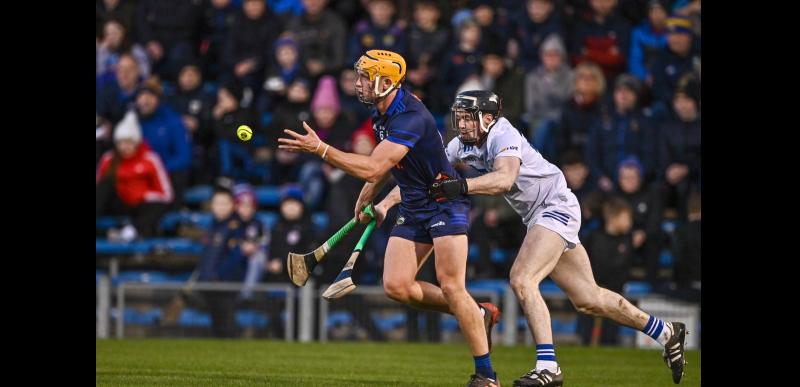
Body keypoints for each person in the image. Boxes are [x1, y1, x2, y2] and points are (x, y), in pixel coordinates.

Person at [428, 90, 688, 386]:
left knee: (522, 278)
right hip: (540, 216)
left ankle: (548, 366)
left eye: (468, 119)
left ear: (488, 119)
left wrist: (460, 186)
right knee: (590, 299)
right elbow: (427, 176)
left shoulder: (503, 133)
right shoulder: (460, 145)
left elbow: (504, 179)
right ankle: (666, 332)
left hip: (555, 207)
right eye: (459, 118)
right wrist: (385, 203)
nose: (461, 125)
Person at [279, 50, 501, 387]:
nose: (358, 83)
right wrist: (371, 194)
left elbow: (373, 165)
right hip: (412, 206)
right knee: (397, 287)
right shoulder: (381, 114)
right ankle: (477, 312)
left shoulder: (409, 116)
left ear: (385, 82)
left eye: (365, 77)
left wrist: (320, 149)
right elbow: (387, 167)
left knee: (452, 286)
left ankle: (486, 375)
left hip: (444, 204)